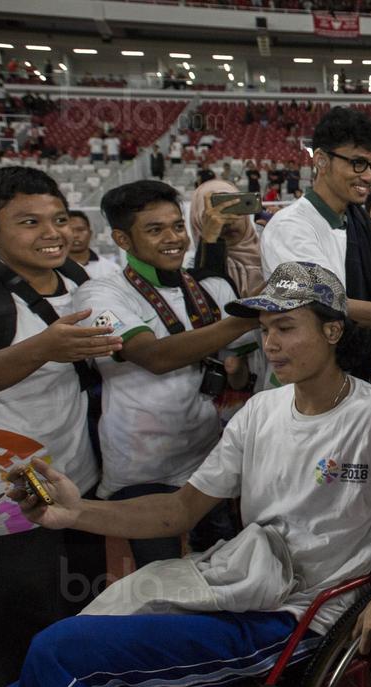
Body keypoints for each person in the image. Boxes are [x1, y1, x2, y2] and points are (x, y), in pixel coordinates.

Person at [0, 262, 371, 687]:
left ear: (332, 331)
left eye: (287, 327)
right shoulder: (260, 411)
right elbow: (180, 511)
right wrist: (76, 512)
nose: (270, 344)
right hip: (236, 585)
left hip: (296, 616)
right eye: (265, 329)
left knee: (56, 652)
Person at [0, 167, 123, 687]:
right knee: (21, 622)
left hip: (76, 473)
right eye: (29, 222)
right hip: (3, 485)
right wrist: (46, 348)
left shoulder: (82, 281)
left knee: (80, 610)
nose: (52, 233)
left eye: (57, 219)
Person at [74, 180, 259, 568]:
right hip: (141, 465)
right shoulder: (99, 295)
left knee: (220, 570)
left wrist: (237, 369)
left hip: (207, 455)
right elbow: (153, 356)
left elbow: (238, 374)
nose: (173, 239)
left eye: (177, 226)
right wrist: (250, 315)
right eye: (155, 230)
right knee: (157, 576)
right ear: (123, 239)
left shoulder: (210, 287)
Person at [260, 106, 371, 384]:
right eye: (357, 163)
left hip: (353, 375)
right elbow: (327, 305)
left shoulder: (358, 221)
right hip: (307, 383)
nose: (369, 177)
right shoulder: (291, 227)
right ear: (321, 160)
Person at [190, 179, 265, 298]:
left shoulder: (272, 253)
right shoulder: (189, 274)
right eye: (214, 216)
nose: (228, 222)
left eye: (235, 210)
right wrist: (209, 241)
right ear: (198, 222)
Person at [65, 210, 121, 280]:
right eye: (70, 231)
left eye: (80, 230)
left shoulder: (112, 269)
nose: (75, 235)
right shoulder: (54, 270)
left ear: (90, 234)